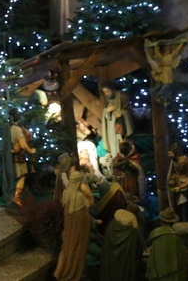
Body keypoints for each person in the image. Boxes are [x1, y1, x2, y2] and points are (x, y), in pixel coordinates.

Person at [53, 153, 94, 281]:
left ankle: (58, 273)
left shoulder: (63, 180)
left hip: (69, 213)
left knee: (67, 247)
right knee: (75, 246)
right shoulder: (78, 179)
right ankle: (71, 273)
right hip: (77, 216)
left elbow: (59, 195)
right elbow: (89, 197)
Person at [100, 208, 145, 281]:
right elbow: (139, 249)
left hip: (109, 266)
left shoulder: (112, 224)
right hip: (127, 270)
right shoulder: (133, 230)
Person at [146, 207, 187, 280]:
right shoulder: (176, 236)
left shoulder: (155, 233)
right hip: (174, 270)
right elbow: (182, 257)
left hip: (159, 269)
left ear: (161, 220)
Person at [6, 109, 36, 207]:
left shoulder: (10, 127)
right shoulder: (17, 129)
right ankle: (17, 197)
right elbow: (23, 145)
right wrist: (31, 151)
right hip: (19, 156)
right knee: (22, 177)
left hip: (13, 155)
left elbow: (27, 134)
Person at [166, 143, 188, 222]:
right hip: (177, 186)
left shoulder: (187, 162)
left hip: (187, 188)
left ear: (175, 152)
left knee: (184, 205)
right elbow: (174, 173)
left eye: (170, 153)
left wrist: (180, 187)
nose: (169, 155)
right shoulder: (173, 162)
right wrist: (172, 180)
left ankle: (186, 220)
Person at [100, 82, 134, 158]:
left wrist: (122, 113)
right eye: (105, 92)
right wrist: (107, 111)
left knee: (123, 147)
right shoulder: (108, 98)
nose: (106, 94)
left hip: (121, 126)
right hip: (111, 128)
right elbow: (106, 111)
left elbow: (129, 110)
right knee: (114, 148)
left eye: (107, 91)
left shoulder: (122, 96)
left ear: (113, 89)